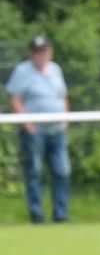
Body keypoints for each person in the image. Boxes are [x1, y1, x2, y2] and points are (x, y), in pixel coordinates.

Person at [7, 34, 71, 224]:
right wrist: (27, 124)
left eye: (43, 51)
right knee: (34, 171)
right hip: (36, 130)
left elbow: (62, 97)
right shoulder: (22, 71)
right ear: (31, 54)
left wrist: (65, 119)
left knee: (62, 171)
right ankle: (36, 213)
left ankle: (61, 213)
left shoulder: (56, 70)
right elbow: (15, 99)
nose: (40, 56)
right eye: (36, 52)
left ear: (49, 52)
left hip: (57, 129)